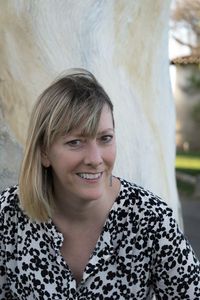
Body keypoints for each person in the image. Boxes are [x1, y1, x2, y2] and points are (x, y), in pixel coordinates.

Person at [0, 68, 199, 300]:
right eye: (75, 142)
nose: (95, 159)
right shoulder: (8, 215)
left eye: (105, 138)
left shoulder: (151, 219)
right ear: (44, 151)